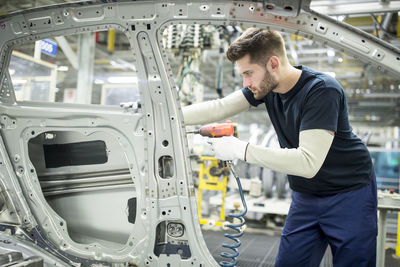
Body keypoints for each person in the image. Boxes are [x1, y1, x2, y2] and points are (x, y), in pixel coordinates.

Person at [182, 28, 377, 267]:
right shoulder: (267, 88)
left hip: (349, 193)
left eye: (248, 73)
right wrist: (169, 116)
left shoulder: (321, 90)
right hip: (306, 195)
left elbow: (307, 162)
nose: (246, 83)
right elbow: (220, 107)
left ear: (273, 63)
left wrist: (240, 150)